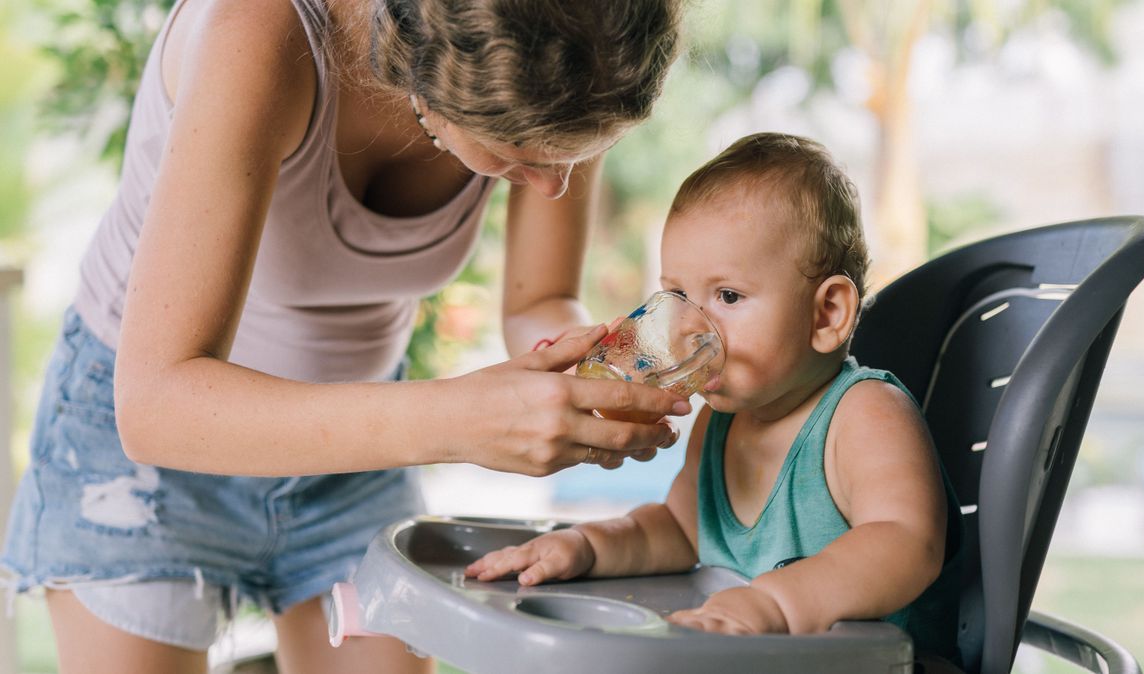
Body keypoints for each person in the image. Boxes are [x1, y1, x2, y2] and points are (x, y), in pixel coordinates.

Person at [0, 1, 690, 672]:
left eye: (582, 153)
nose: (553, 185)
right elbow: (154, 405)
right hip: (149, 457)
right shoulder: (260, 32)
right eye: (516, 156)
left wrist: (601, 371)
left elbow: (537, 301)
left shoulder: (571, 55)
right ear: (432, 67)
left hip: (355, 451)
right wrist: (458, 419)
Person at [466, 132, 964, 664]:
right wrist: (588, 547)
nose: (686, 325)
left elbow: (908, 543)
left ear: (827, 315)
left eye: (727, 296)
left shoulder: (864, 414)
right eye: (677, 296)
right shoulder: (720, 423)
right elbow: (679, 530)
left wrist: (773, 605)